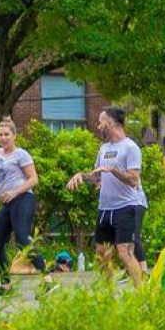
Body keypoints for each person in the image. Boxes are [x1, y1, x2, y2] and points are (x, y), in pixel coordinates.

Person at [67, 107, 147, 287]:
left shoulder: (130, 147)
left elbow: (134, 180)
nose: (98, 126)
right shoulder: (104, 148)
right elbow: (97, 175)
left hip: (126, 207)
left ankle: (143, 295)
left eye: (100, 122)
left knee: (124, 252)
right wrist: (81, 175)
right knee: (102, 254)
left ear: (110, 124)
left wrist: (113, 170)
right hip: (105, 208)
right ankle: (108, 294)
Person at [0, 118, 53, 296]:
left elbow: (33, 179)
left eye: (7, 134)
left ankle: (47, 279)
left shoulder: (21, 154)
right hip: (8, 204)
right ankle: (6, 285)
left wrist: (15, 192)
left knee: (22, 238)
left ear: (14, 136)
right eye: (0, 134)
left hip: (23, 198)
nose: (3, 138)